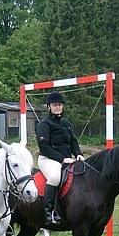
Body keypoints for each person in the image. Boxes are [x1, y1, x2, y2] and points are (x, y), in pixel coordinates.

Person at [36, 91, 84, 225]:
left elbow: (73, 142)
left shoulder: (66, 123)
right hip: (48, 159)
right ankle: (49, 212)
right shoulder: (44, 124)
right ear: (49, 107)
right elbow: (44, 147)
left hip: (67, 159)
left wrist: (78, 154)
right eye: (54, 105)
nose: (57, 107)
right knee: (55, 177)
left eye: (60, 105)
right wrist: (62, 159)